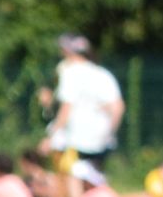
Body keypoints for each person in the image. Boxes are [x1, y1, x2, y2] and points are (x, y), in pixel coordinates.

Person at [39, 34, 123, 168]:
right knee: (94, 178)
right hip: (100, 142)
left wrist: (51, 138)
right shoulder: (104, 74)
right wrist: (108, 134)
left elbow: (66, 109)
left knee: (68, 177)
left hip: (74, 141)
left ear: (67, 52)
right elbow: (118, 108)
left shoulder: (69, 73)